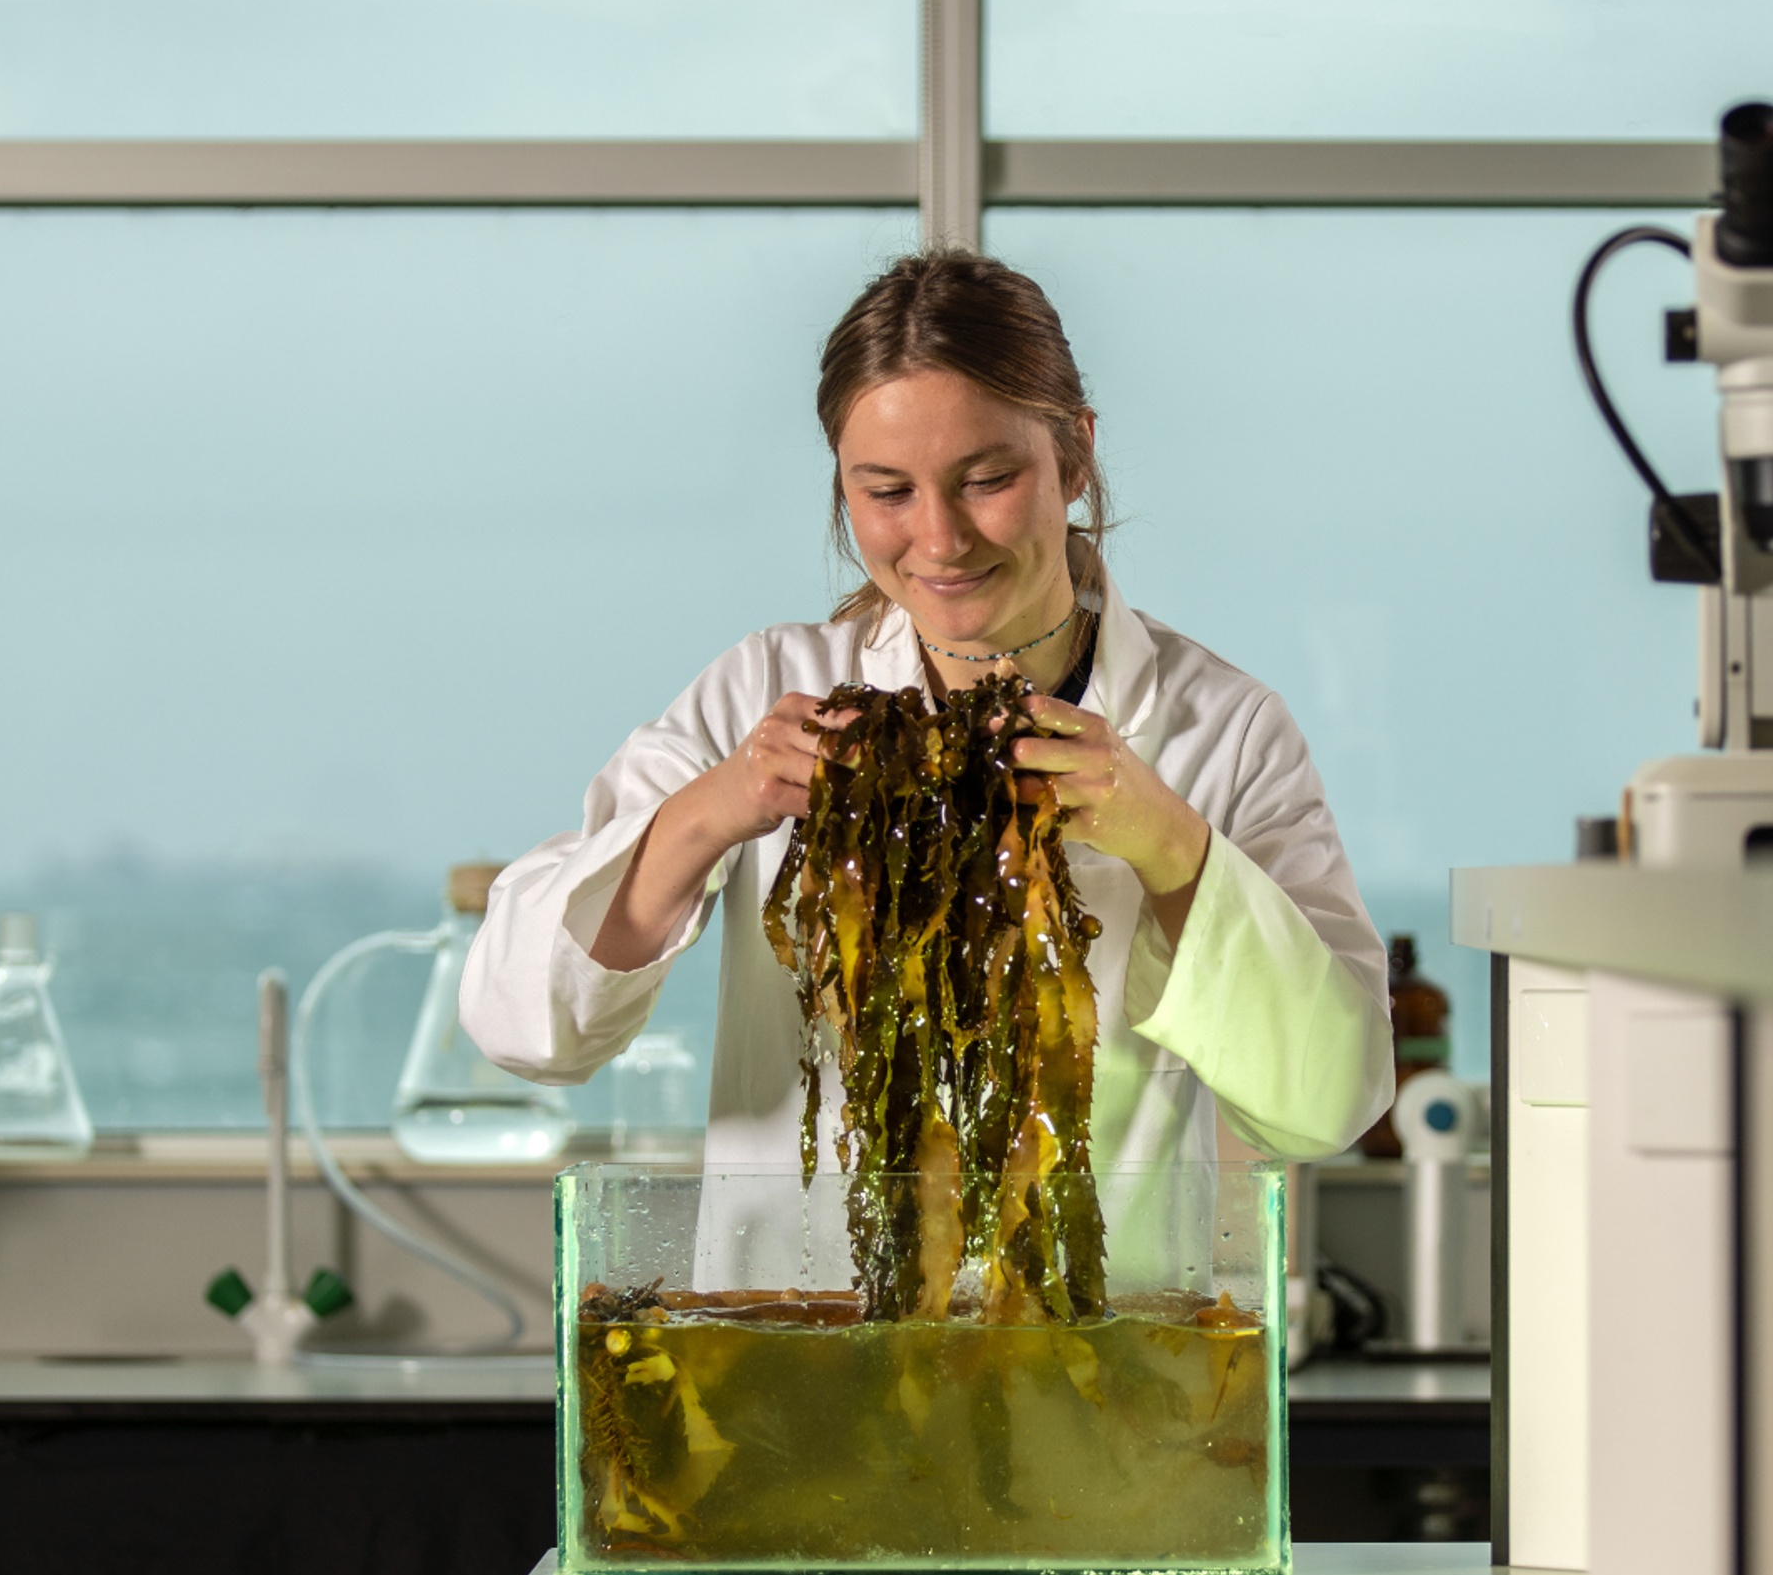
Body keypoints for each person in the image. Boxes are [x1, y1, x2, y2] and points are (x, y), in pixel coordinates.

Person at [460, 250, 1391, 1276]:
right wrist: (714, 808)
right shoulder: (759, 690)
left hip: (1094, 1377)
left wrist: (1167, 843)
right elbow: (524, 1028)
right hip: (801, 1361)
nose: (938, 539)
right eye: (887, 491)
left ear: (1074, 457)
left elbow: (1327, 1102)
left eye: (987, 480)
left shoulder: (1222, 727)